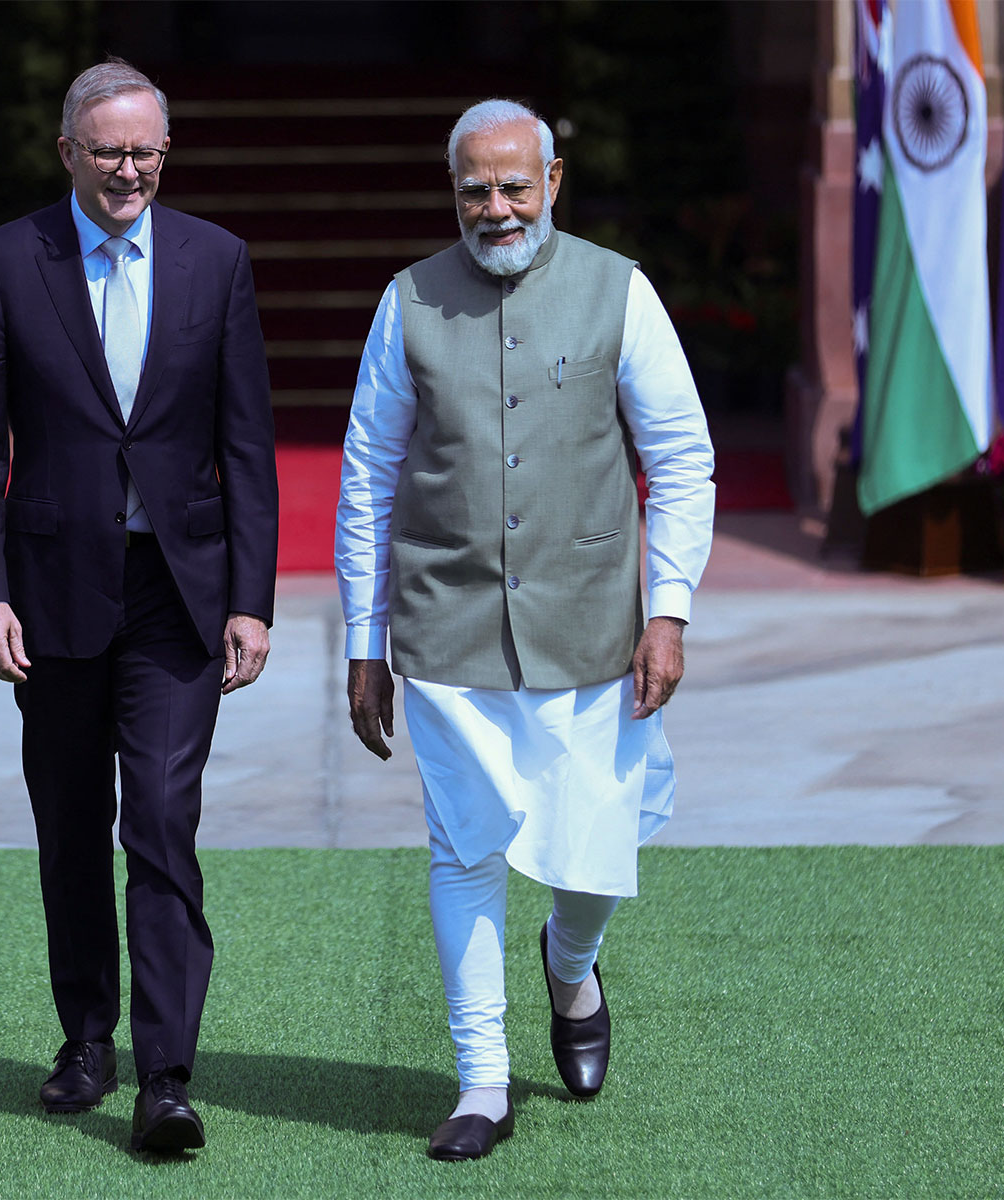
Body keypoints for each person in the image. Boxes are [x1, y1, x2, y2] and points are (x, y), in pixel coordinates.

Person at [336, 98, 715, 1162]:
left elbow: (680, 457)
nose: (495, 208)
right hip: (445, 628)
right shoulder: (406, 301)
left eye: (514, 186)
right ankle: (482, 1081)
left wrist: (669, 610)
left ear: (553, 181)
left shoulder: (618, 289)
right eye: (475, 191)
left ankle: (569, 963)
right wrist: (364, 641)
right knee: (466, 849)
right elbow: (367, 474)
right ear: (452, 192)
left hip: (593, 626)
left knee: (593, 856)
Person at [0, 58, 278, 1154]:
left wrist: (252, 601)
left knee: (163, 820)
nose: (129, 171)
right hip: (50, 596)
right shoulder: (6, 261)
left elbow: (247, 446)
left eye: (146, 152)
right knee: (72, 822)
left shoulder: (216, 260)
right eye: (108, 151)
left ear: (164, 153)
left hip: (180, 594)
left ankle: (166, 1076)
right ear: (67, 152)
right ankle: (86, 1040)